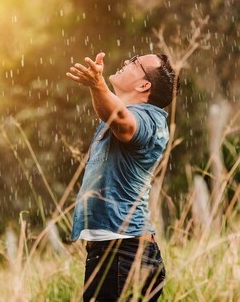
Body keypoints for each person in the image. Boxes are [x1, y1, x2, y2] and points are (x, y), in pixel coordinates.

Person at [66, 52, 179, 301]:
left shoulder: (148, 119)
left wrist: (98, 85)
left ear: (143, 85)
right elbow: (112, 113)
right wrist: (97, 88)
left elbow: (122, 122)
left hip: (124, 254)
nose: (127, 61)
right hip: (117, 253)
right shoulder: (127, 113)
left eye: (135, 61)